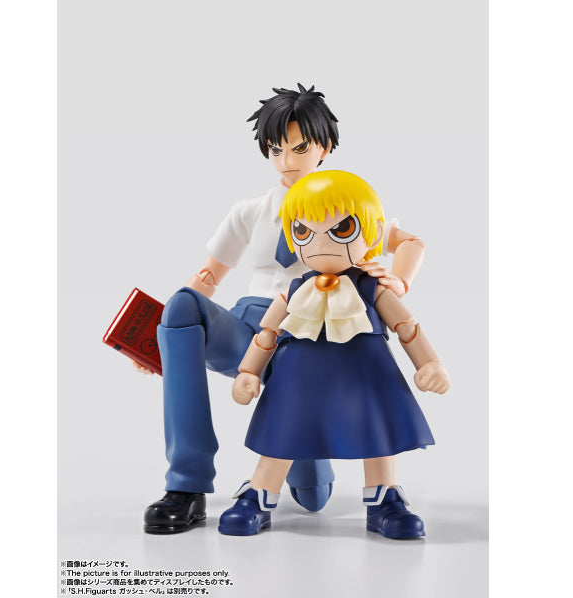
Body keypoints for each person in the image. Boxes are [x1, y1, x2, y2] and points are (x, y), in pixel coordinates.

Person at [136, 85, 427, 534]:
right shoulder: (251, 211)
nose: (287, 160)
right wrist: (159, 342)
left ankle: (330, 474)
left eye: (299, 148)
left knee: (313, 496)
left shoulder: (347, 205)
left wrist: (398, 280)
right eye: (277, 150)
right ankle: (186, 485)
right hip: (252, 326)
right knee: (180, 306)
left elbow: (410, 241)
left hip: (319, 344)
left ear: (324, 147)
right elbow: (208, 276)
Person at [218, 170, 450, 538]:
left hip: (366, 374)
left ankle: (384, 499)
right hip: (299, 377)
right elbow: (267, 334)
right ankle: (259, 494)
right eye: (303, 231)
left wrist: (429, 363)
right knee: (283, 427)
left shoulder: (372, 287)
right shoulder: (295, 289)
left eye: (341, 229)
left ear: (373, 232)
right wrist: (249, 372)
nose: (320, 242)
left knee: (376, 428)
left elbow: (407, 326)